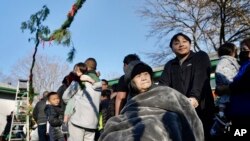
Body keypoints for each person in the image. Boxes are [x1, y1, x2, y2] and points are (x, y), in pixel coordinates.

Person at [99, 60, 204, 141]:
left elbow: (190, 115)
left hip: (157, 128)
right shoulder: (131, 101)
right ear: (131, 82)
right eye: (138, 76)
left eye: (146, 74)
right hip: (132, 127)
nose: (144, 78)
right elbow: (126, 117)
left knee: (152, 125)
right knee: (111, 125)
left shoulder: (166, 92)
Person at [158, 32, 215, 140]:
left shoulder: (200, 56)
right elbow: (163, 86)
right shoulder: (170, 65)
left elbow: (200, 77)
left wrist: (195, 97)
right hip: (181, 112)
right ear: (172, 48)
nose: (181, 44)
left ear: (190, 44)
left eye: (184, 41)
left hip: (202, 108)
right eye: (176, 43)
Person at [63, 58, 101, 141]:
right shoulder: (99, 83)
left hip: (77, 121)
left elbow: (65, 97)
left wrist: (72, 102)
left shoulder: (79, 81)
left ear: (85, 67)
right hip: (92, 123)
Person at [227, 38, 250, 134]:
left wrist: (227, 87)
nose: (243, 52)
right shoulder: (243, 65)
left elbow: (244, 83)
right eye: (242, 50)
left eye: (245, 49)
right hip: (239, 111)